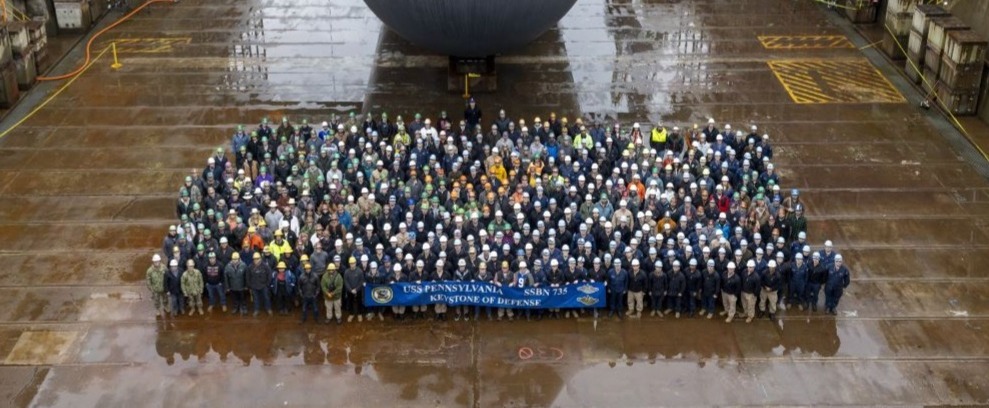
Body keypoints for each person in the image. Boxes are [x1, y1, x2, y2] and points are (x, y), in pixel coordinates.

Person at [247, 252, 273, 316]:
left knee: (266, 297)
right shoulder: (250, 267)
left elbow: (269, 275)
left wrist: (267, 284)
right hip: (254, 286)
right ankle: (256, 310)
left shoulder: (265, 266)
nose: (256, 260)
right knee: (256, 299)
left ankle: (268, 309)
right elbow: (248, 277)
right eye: (254, 259)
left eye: (257, 258)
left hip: (264, 285)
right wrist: (250, 285)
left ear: (260, 259)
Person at [344, 257, 365, 322]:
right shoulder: (347, 272)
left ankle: (359, 314)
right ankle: (351, 314)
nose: (352, 265)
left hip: (358, 290)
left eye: (353, 263)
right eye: (351, 263)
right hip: (350, 291)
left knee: (359, 302)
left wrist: (356, 289)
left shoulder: (359, 271)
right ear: (349, 264)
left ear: (355, 263)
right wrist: (350, 290)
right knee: (350, 302)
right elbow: (346, 281)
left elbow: (361, 281)